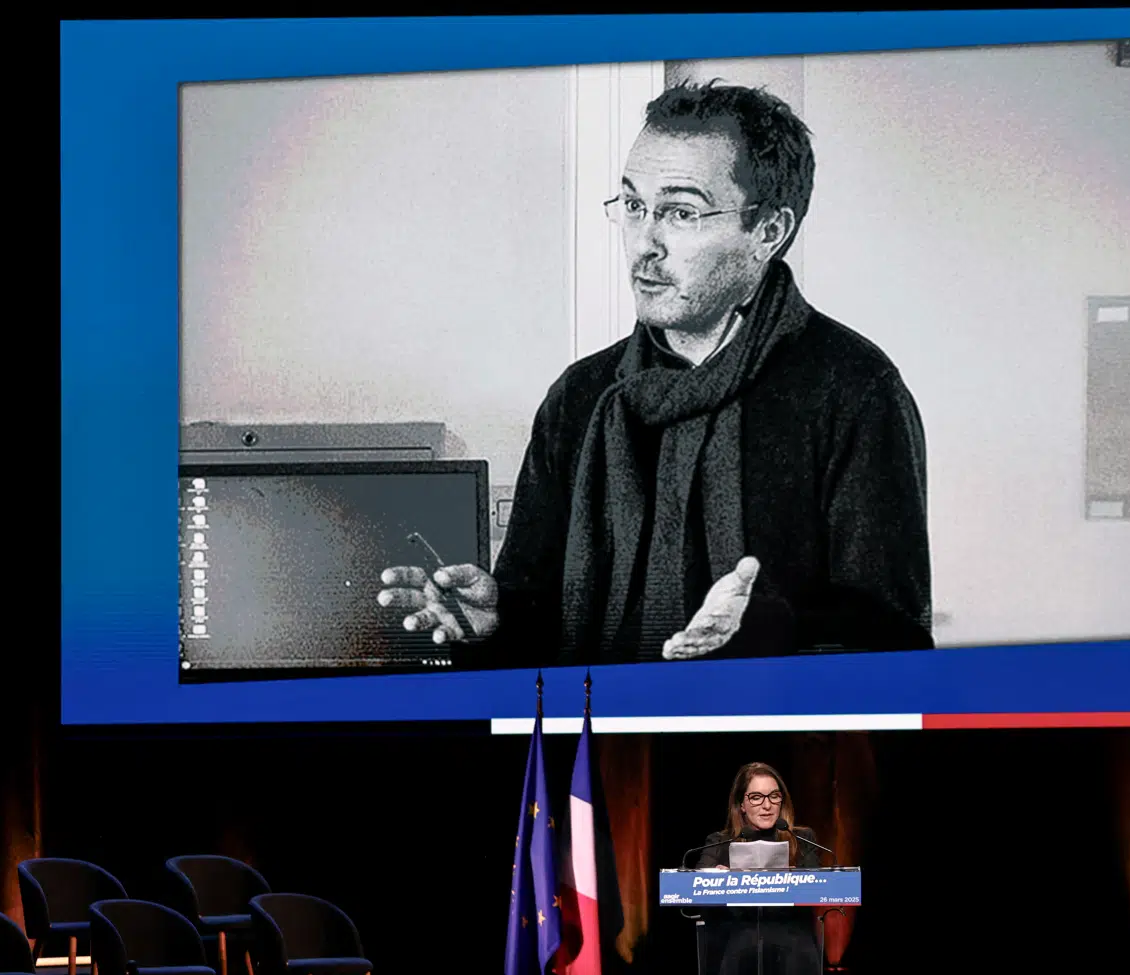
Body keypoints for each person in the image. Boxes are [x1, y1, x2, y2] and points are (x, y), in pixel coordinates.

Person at [378, 81, 933, 666]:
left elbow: (894, 638)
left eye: (680, 212)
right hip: (600, 749)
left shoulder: (853, 391)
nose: (644, 243)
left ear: (768, 232)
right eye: (635, 205)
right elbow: (537, 623)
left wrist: (765, 630)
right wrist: (497, 622)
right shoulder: (580, 397)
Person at [694, 762, 825, 975]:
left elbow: (818, 888)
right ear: (741, 804)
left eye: (774, 796)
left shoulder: (801, 839)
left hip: (794, 952)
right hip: (739, 952)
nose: (767, 805)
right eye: (756, 797)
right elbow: (697, 891)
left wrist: (794, 878)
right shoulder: (719, 843)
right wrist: (722, 878)